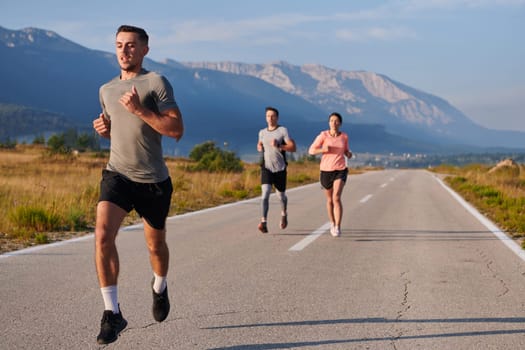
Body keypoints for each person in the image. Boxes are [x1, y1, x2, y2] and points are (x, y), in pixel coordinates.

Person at [92, 25, 184, 345]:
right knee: (103, 234)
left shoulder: (156, 82)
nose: (124, 51)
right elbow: (119, 131)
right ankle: (112, 313)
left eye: (131, 46)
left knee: (155, 246)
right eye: (119, 45)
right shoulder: (106, 90)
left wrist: (140, 110)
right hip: (117, 174)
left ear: (145, 49)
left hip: (153, 181)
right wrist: (105, 130)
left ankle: (159, 286)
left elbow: (175, 130)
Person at [308, 112, 352, 237]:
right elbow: (311, 150)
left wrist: (348, 154)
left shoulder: (344, 136)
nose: (334, 123)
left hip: (340, 169)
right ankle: (332, 223)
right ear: (329, 123)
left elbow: (346, 150)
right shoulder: (323, 135)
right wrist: (323, 149)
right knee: (329, 200)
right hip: (326, 170)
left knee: (336, 197)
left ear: (340, 123)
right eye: (332, 120)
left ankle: (338, 226)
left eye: (336, 121)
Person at [256, 106, 296, 233]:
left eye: (273, 116)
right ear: (265, 117)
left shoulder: (282, 130)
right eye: (268, 116)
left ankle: (284, 214)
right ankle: (263, 222)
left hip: (280, 168)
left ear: (277, 117)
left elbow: (292, 147)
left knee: (281, 196)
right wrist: (259, 146)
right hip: (266, 167)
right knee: (265, 193)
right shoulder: (262, 132)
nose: (270, 118)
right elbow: (260, 144)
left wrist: (279, 145)